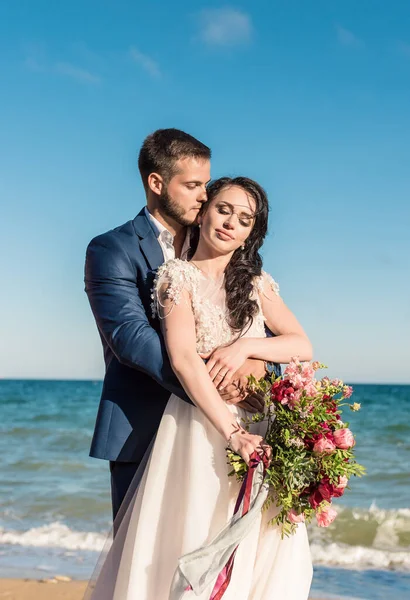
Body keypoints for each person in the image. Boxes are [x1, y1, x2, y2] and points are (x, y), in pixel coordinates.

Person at [86, 176, 313, 599]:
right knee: (194, 535)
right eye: (223, 210)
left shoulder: (257, 283)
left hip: (259, 423)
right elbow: (184, 360)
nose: (230, 223)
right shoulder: (177, 278)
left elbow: (301, 344)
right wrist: (232, 432)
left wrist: (246, 346)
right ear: (205, 212)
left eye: (244, 219)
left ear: (251, 233)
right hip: (199, 427)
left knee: (256, 545)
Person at [85, 129, 277, 523]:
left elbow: (252, 320)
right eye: (192, 185)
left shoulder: (217, 236)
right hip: (142, 427)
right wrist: (218, 386)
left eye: (206, 184)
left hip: (220, 433)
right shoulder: (111, 249)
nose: (204, 196)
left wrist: (259, 373)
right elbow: (130, 338)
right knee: (142, 568)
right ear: (157, 183)